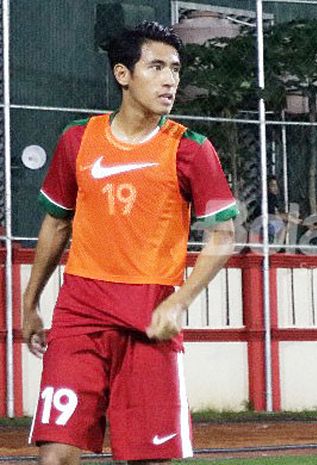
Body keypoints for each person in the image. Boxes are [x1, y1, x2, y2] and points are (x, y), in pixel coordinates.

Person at [21, 21, 238, 464]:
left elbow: (224, 236)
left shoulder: (191, 150)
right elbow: (56, 224)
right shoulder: (77, 140)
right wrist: (29, 303)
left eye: (176, 69)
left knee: (145, 459)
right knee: (55, 454)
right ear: (124, 75)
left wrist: (179, 301)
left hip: (149, 315)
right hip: (80, 310)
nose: (170, 80)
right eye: (156, 66)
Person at [250, 175, 300, 242]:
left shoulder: (272, 198)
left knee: (286, 223)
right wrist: (290, 218)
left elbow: (276, 213)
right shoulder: (269, 197)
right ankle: (277, 245)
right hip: (261, 225)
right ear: (268, 187)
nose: (275, 188)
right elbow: (275, 215)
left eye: (276, 185)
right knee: (285, 225)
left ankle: (278, 244)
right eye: (272, 186)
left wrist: (290, 216)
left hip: (265, 224)